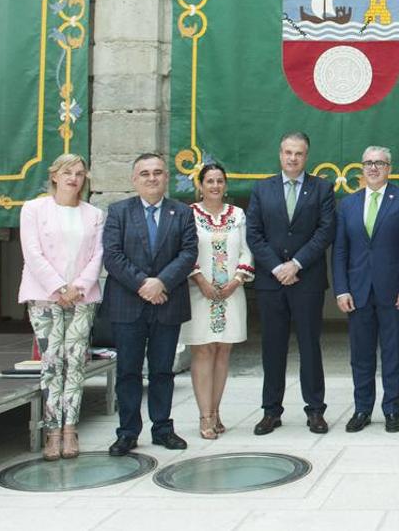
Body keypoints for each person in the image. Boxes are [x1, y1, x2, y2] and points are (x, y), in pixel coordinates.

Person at [101, 152, 198, 456]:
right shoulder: (118, 211)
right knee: (128, 371)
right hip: (128, 303)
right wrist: (144, 284)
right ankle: (128, 432)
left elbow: (188, 253)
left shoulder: (181, 212)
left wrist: (162, 282)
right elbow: (112, 255)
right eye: (145, 173)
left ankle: (163, 429)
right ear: (134, 179)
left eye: (157, 172)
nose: (152, 178)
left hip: (167, 302)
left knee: (162, 371)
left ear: (166, 177)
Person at [245, 131, 336, 435]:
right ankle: (271, 411)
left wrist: (296, 264)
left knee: (310, 346)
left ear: (306, 156)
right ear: (280, 154)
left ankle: (315, 411)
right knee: (273, 347)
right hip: (271, 283)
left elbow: (325, 232)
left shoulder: (322, 188)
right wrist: (276, 267)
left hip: (306, 280)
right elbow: (254, 234)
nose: (292, 158)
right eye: (287, 152)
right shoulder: (262, 189)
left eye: (298, 153)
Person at [18, 153, 105, 460]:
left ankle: (71, 430)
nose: (74, 178)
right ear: (54, 175)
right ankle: (52, 432)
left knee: (76, 364)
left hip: (82, 298)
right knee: (52, 363)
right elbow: (32, 252)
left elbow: (97, 255)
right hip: (44, 296)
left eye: (80, 173)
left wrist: (78, 287)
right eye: (67, 172)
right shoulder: (34, 209)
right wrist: (58, 287)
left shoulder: (93, 214)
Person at [333, 146, 399, 434]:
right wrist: (341, 289)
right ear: (362, 167)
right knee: (361, 354)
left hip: (393, 292)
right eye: (368, 163)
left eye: (379, 163)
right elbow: (340, 252)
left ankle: (392, 409)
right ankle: (362, 409)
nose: (373, 168)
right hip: (357, 292)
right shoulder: (347, 204)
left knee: (393, 353)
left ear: (389, 168)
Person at [181, 163, 254, 440]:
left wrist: (236, 280)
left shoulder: (237, 215)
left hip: (231, 293)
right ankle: (204, 415)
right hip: (199, 292)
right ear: (200, 184)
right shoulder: (189, 215)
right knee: (203, 350)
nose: (215, 186)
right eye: (209, 181)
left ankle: (216, 410)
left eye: (219, 181)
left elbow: (247, 251)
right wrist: (200, 280)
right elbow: (185, 250)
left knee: (223, 351)